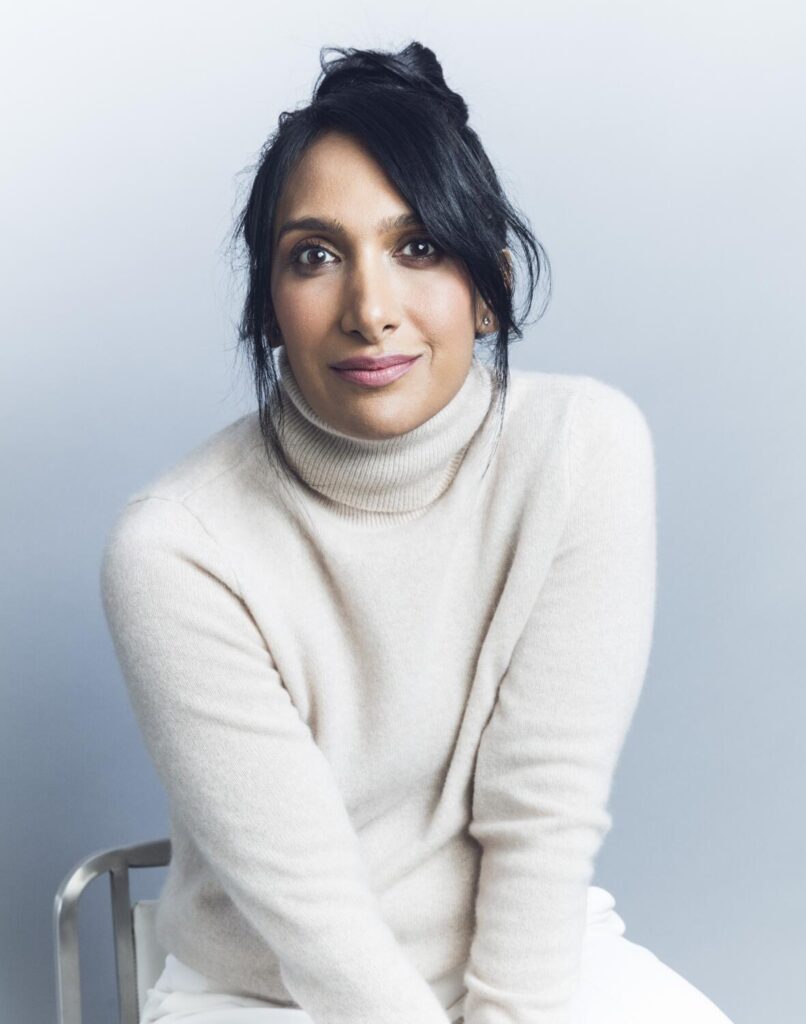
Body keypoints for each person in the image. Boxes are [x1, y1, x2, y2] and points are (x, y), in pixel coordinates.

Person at [100, 41, 735, 1024]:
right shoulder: (178, 546)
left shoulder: (580, 449)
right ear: (270, 306)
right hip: (274, 990)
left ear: (492, 288)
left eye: (418, 247)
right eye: (315, 255)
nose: (370, 309)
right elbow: (313, 917)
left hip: (529, 959)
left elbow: (542, 815)